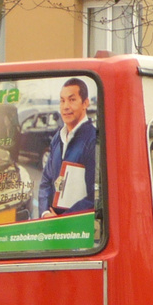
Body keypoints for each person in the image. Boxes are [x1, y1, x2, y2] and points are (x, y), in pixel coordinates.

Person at [36, 79, 98, 219]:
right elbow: (46, 180)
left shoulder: (92, 139)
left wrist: (63, 219)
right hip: (52, 224)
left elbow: (94, 195)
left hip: (76, 226)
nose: (65, 106)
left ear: (85, 103)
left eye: (72, 100)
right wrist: (45, 213)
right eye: (62, 101)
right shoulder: (58, 137)